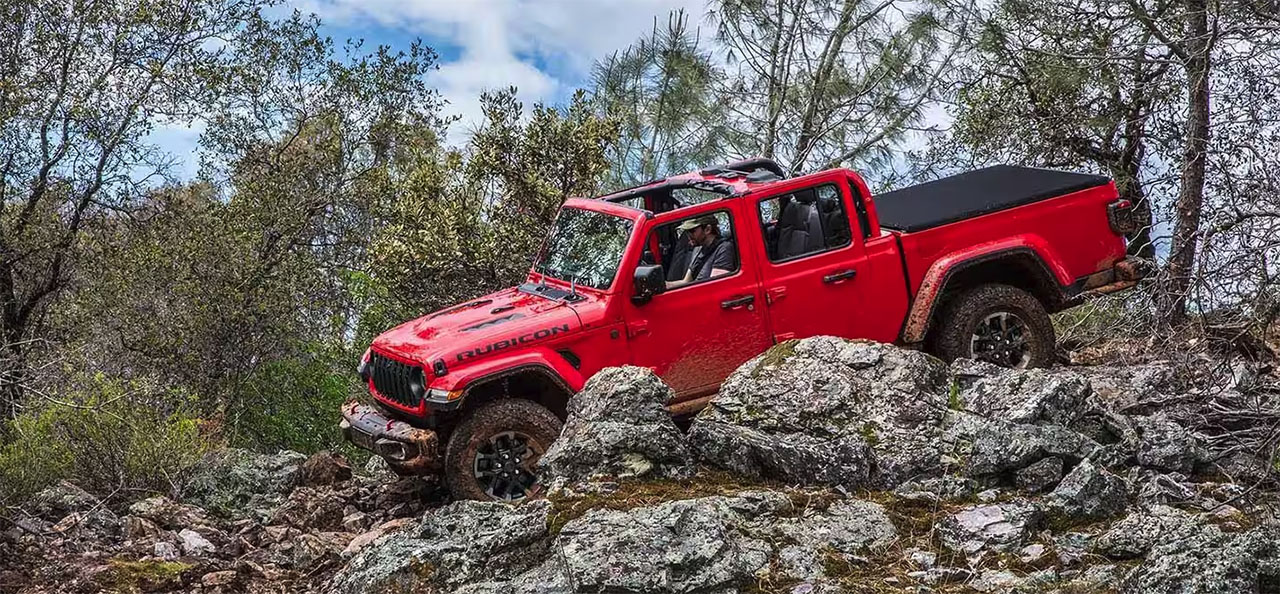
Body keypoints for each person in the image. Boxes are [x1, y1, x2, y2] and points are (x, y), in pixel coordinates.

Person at [666, 215, 736, 289]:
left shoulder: (724, 249)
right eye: (686, 232)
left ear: (707, 229)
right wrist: (664, 285)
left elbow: (716, 286)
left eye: (692, 231)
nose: (688, 235)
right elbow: (686, 282)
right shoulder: (699, 250)